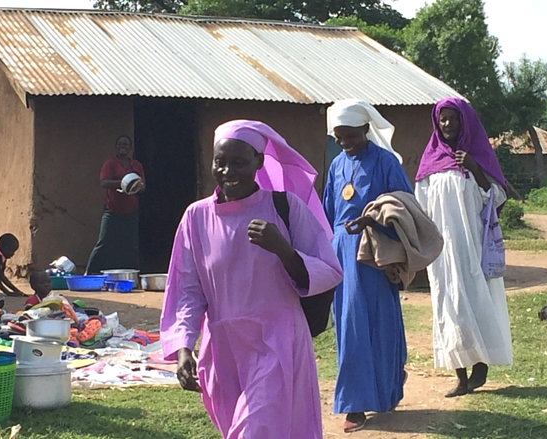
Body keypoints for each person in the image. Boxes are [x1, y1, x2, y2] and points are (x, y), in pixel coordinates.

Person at [160, 120, 342, 439]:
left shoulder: (284, 207)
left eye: (239, 162)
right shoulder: (196, 217)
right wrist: (184, 348)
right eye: (221, 162)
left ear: (259, 161)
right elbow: (186, 290)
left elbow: (329, 269)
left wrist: (283, 249)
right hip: (223, 349)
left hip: (277, 342)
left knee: (254, 430)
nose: (228, 170)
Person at [323, 100, 413, 432]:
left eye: (350, 135)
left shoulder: (385, 161)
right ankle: (355, 405)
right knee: (350, 327)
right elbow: (329, 210)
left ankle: (388, 388)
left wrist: (373, 218)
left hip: (375, 252)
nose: (345, 142)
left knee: (381, 323)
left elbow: (404, 204)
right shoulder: (335, 167)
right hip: (344, 254)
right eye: (339, 137)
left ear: (365, 129)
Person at [414, 97, 513, 398]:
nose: (447, 125)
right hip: (443, 252)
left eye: (453, 119)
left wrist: (474, 168)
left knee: (477, 300)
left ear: (464, 122)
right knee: (448, 306)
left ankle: (480, 367)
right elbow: (421, 206)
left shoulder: (478, 156)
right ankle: (459, 374)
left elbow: (496, 198)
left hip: (473, 248)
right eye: (442, 119)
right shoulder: (430, 161)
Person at [86, 135, 145, 274]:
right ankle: (89, 273)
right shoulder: (111, 163)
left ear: (130, 148)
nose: (122, 146)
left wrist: (135, 186)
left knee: (130, 245)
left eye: (126, 144)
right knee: (103, 242)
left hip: (131, 211)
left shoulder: (136, 165)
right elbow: (104, 182)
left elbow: (142, 186)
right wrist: (123, 183)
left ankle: (133, 274)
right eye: (120, 144)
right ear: (116, 147)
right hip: (112, 210)